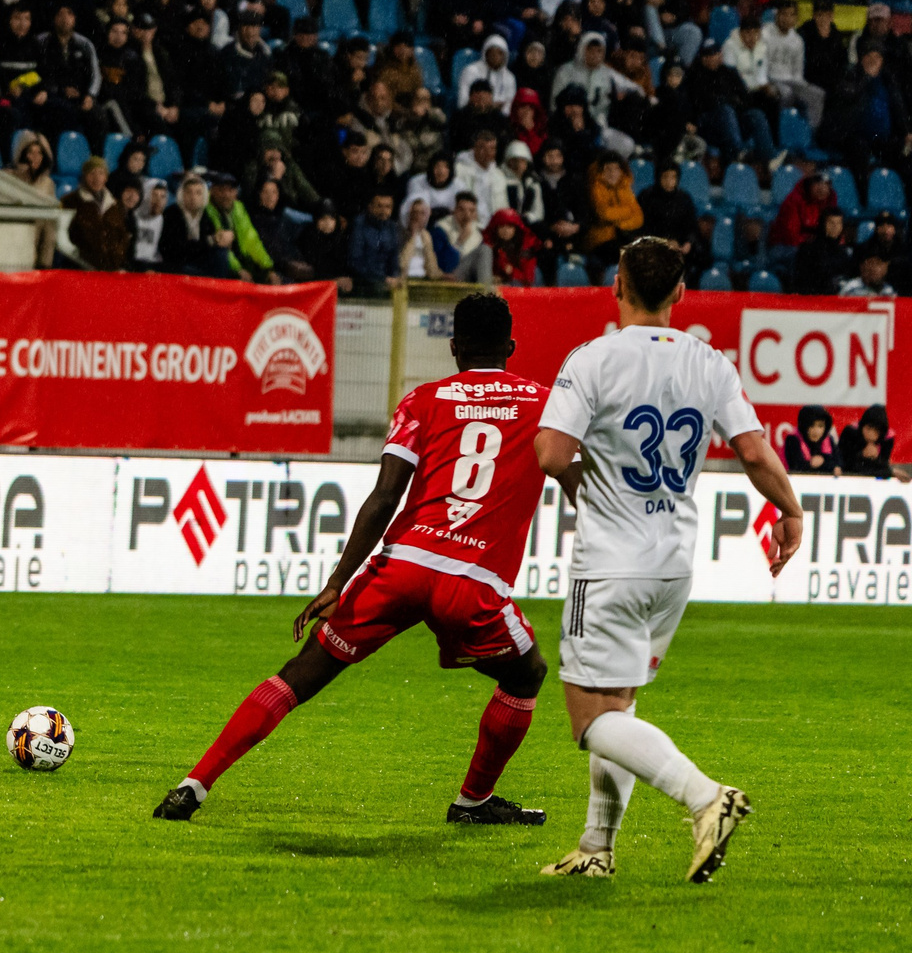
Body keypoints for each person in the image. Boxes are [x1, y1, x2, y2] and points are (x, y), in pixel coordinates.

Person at [154, 294, 552, 826]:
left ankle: (194, 784)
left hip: (403, 564)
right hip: (471, 579)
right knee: (526, 674)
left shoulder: (423, 400)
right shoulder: (546, 403)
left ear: (454, 348)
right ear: (510, 347)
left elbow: (384, 497)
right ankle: (472, 800)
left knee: (300, 675)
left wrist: (338, 581)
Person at [532, 237, 803, 883]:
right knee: (619, 707)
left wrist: (581, 484)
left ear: (615, 285)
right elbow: (756, 451)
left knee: (591, 719)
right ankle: (597, 847)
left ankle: (708, 796)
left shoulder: (593, 357)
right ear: (682, 293)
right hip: (673, 564)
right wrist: (791, 511)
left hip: (608, 563)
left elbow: (548, 451)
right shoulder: (710, 362)